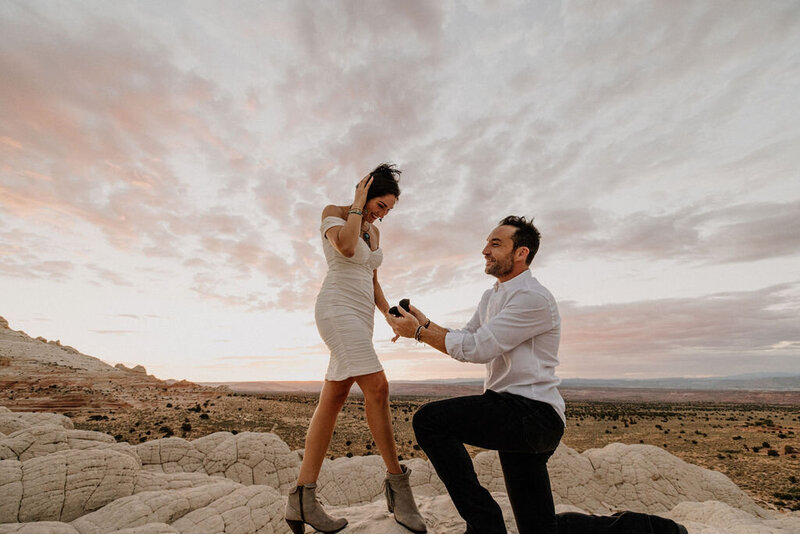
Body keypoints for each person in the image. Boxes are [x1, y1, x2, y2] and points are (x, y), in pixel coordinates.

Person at [388, 216, 687, 534]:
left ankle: (484, 526)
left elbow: (477, 348)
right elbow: (468, 334)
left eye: (495, 243)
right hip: (513, 412)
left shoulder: (532, 298)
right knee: (540, 530)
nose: (484, 250)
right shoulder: (492, 296)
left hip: (531, 414)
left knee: (429, 421)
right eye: (488, 242)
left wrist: (419, 333)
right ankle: (658, 530)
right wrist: (425, 323)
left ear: (521, 253)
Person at [285, 164, 426, 534]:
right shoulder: (335, 214)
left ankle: (302, 499)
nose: (382, 215)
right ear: (365, 192)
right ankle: (399, 490)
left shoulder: (374, 233)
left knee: (331, 401)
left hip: (362, 316)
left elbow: (372, 278)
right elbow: (346, 248)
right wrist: (358, 206)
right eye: (380, 205)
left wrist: (390, 315)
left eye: (388, 210)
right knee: (378, 388)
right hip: (335, 309)